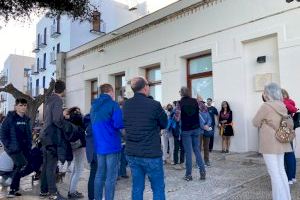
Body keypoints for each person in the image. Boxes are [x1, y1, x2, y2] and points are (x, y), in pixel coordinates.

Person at [123, 77, 168, 200]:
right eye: (148, 85)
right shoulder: (154, 104)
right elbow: (165, 123)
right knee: (158, 187)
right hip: (151, 153)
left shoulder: (126, 105)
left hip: (132, 153)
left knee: (137, 187)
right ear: (145, 87)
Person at [253, 83, 292, 200]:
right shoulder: (282, 105)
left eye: (264, 92)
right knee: (281, 171)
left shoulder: (266, 106)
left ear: (268, 93)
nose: (263, 94)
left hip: (269, 144)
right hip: (281, 141)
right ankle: (286, 197)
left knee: (274, 175)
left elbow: (255, 122)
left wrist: (264, 122)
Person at [90, 84, 124, 200]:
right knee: (111, 176)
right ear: (111, 92)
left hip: (99, 145)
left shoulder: (94, 106)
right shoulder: (113, 104)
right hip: (112, 145)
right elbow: (118, 123)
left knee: (99, 174)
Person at [40, 80, 67, 200]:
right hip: (52, 136)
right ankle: (53, 193)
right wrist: (64, 121)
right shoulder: (58, 100)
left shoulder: (49, 99)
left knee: (46, 164)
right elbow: (56, 119)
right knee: (51, 165)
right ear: (63, 90)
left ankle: (44, 190)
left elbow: (48, 117)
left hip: (45, 134)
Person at [0, 98, 31, 198]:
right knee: (21, 164)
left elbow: (28, 134)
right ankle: (10, 183)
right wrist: (8, 145)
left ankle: (14, 189)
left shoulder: (26, 119)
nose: (23, 107)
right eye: (20, 105)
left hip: (24, 148)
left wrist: (29, 145)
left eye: (24, 105)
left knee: (18, 167)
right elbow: (2, 133)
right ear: (16, 106)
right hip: (13, 148)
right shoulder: (10, 118)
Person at [175, 87, 206, 181]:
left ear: (181, 93)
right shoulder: (196, 101)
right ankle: (202, 172)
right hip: (196, 129)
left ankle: (188, 175)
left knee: (188, 152)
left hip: (186, 130)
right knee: (197, 150)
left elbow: (177, 118)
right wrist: (201, 100)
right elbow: (204, 110)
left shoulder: (179, 103)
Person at [67, 107, 86, 199]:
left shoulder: (69, 120)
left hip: (74, 145)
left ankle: (72, 190)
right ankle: (72, 192)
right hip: (79, 146)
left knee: (75, 169)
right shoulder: (77, 119)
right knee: (78, 170)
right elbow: (81, 122)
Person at [282, 89, 297, 185]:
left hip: (283, 129)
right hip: (289, 129)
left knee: (285, 154)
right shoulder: (290, 102)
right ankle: (292, 177)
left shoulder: (284, 103)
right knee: (290, 153)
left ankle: (288, 178)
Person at [83, 113, 97, 200]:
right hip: (97, 153)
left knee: (93, 175)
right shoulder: (94, 124)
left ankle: (91, 197)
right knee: (95, 175)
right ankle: (92, 197)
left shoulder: (89, 123)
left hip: (92, 153)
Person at [198, 101, 212, 167]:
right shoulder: (196, 112)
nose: (202, 104)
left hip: (206, 131)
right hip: (199, 131)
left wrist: (207, 125)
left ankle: (207, 160)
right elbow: (197, 121)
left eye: (203, 103)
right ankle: (199, 161)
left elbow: (210, 119)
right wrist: (203, 126)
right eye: (201, 103)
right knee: (198, 147)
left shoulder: (206, 111)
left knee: (206, 147)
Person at [171, 101, 184, 168]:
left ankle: (181, 162)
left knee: (182, 148)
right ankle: (176, 162)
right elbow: (175, 121)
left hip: (182, 132)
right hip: (177, 132)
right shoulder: (174, 112)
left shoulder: (184, 112)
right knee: (177, 148)